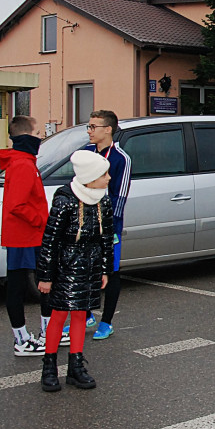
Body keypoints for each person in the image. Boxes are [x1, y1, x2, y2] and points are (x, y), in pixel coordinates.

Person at [37, 150, 114, 392]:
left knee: (81, 314)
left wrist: (105, 270)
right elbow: (50, 240)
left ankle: (76, 366)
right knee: (59, 314)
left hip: (90, 265)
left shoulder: (103, 199)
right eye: (104, 174)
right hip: (65, 265)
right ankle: (49, 366)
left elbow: (106, 239)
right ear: (90, 177)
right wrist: (46, 276)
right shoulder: (65, 199)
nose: (109, 178)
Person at [0, 115, 54, 357]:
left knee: (44, 282)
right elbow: (17, 205)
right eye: (39, 131)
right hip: (24, 236)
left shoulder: (24, 161)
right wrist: (42, 220)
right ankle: (22, 339)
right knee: (19, 287)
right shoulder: (22, 164)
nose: (42, 135)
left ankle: (47, 332)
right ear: (28, 136)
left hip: (29, 235)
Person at [84, 110, 131, 341]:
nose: (90, 131)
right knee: (85, 269)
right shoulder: (85, 153)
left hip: (109, 227)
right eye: (89, 126)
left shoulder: (121, 158)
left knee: (110, 272)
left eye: (94, 126)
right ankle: (86, 313)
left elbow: (119, 197)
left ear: (108, 129)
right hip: (85, 224)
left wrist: (108, 227)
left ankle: (107, 322)